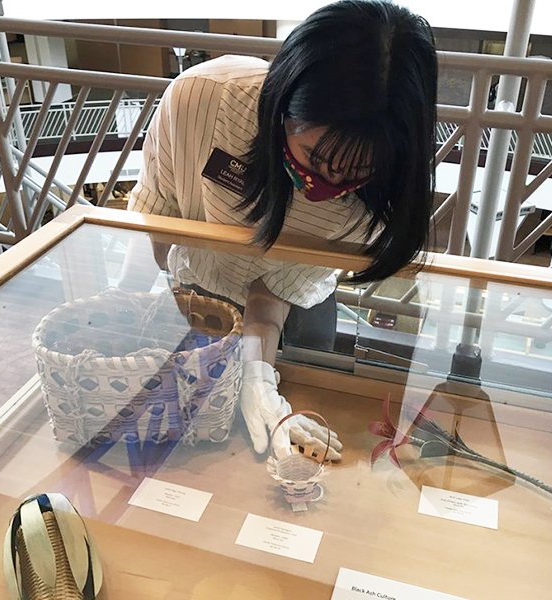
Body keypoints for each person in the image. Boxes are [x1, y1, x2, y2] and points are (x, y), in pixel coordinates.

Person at [126, 0, 438, 461]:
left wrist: (257, 380)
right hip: (195, 299)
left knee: (289, 439)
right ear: (283, 104)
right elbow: (154, 226)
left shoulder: (382, 193)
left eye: (357, 172)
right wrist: (122, 328)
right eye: (315, 158)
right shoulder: (202, 99)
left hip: (292, 320)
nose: (329, 187)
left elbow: (267, 305)